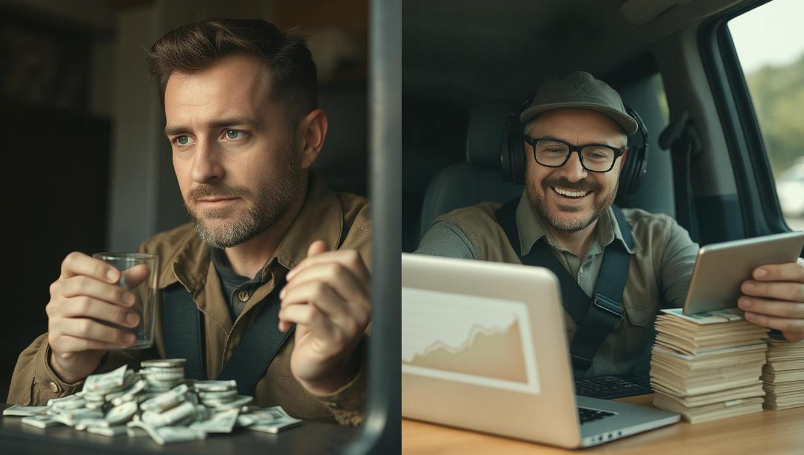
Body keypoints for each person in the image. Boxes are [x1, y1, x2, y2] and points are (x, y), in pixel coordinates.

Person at [8, 19, 371, 426]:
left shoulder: (385, 264)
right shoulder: (154, 261)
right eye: (183, 139)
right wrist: (65, 365)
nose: (201, 171)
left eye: (233, 133)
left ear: (309, 139)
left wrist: (341, 380)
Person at [417, 71, 804, 377]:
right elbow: (409, 329)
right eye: (553, 149)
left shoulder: (661, 238)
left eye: (598, 154)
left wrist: (782, 317)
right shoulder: (464, 235)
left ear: (623, 165)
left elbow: (726, 314)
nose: (574, 172)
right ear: (522, 157)